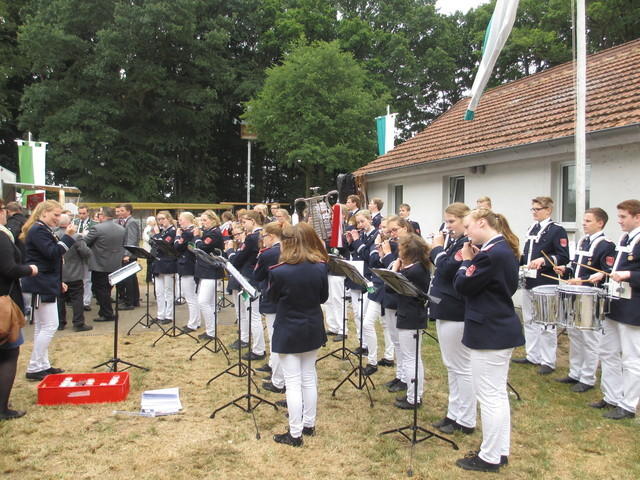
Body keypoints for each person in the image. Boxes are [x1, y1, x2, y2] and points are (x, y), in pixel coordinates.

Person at [453, 208, 524, 473]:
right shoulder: (503, 249)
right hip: (497, 326)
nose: (467, 232)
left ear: (482, 223)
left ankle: (490, 456)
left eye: (469, 226)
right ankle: (499, 450)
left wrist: (465, 261)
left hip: (490, 330)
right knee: (497, 395)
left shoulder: (491, 255)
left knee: (490, 396)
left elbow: (463, 286)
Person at [269, 222, 329, 447]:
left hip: (288, 328)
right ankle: (308, 423)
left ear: (286, 244)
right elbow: (323, 297)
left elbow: (273, 298)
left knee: (293, 382)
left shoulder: (279, 271)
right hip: (312, 326)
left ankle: (295, 434)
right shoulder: (320, 266)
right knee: (308, 377)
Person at [552, 208, 615, 393]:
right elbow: (575, 266)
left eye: (588, 220)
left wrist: (585, 280)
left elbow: (606, 273)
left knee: (590, 338)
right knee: (575, 335)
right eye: (584, 220)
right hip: (574, 293)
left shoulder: (606, 245)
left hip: (590, 296)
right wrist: (565, 270)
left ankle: (588, 377)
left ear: (600, 223)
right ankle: (575, 372)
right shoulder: (583, 241)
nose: (584, 223)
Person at [429, 203, 476, 435]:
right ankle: (453, 412)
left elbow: (447, 269)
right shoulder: (455, 242)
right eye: (446, 222)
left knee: (461, 367)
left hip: (455, 309)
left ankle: (466, 419)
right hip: (444, 307)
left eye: (451, 222)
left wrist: (436, 249)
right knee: (451, 366)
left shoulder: (465, 245)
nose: (447, 227)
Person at [591, 199, 640, 420]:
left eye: (623, 217)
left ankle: (628, 405)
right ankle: (611, 396)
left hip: (633, 308)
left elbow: (631, 272)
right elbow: (617, 266)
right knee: (607, 351)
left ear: (637, 217)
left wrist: (629, 275)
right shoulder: (624, 238)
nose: (619, 221)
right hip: (614, 303)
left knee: (631, 359)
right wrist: (604, 273)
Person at [20, 200, 76, 381]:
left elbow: (50, 258)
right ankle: (35, 366)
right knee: (50, 325)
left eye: (60, 215)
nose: (58, 219)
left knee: (42, 326)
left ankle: (42, 364)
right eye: (55, 215)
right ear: (44, 212)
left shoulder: (41, 230)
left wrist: (59, 281)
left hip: (45, 281)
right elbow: (52, 253)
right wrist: (68, 237)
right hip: (40, 283)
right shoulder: (38, 230)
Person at [513, 197, 570, 374]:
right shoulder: (533, 228)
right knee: (529, 319)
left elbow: (563, 256)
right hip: (530, 279)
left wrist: (544, 261)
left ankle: (548, 360)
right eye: (533, 209)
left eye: (538, 209)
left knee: (546, 323)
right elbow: (528, 254)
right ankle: (533, 355)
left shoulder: (556, 230)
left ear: (548, 210)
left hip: (546, 281)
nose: (535, 212)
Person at [0, 199, 38, 420]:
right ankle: (3, 408)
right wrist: (29, 269)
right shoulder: (2, 237)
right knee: (9, 352)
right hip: (4, 300)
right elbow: (9, 268)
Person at [392, 233, 431, 409]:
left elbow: (390, 286)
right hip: (408, 314)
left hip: (412, 317)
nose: (398, 253)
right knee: (410, 357)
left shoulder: (414, 271)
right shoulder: (415, 268)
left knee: (411, 358)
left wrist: (395, 269)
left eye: (400, 250)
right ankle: (412, 394)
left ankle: (414, 397)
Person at [226, 210, 265, 359]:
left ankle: (258, 349)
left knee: (253, 315)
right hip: (253, 277)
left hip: (249, 278)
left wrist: (230, 251)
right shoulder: (261, 234)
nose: (243, 225)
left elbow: (238, 259)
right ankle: (250, 342)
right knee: (250, 314)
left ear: (253, 221)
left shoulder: (252, 237)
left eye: (244, 222)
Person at [348, 210, 380, 375]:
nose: (359, 225)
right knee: (360, 315)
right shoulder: (365, 235)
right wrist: (351, 242)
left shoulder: (376, 235)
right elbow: (356, 253)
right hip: (361, 276)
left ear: (369, 220)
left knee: (368, 317)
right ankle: (365, 345)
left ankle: (374, 355)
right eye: (358, 223)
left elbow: (369, 257)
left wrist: (357, 241)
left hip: (371, 280)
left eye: (362, 222)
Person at [254, 222, 285, 393]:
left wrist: (260, 256)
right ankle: (276, 370)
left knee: (275, 340)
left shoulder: (268, 253)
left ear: (271, 236)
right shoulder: (288, 249)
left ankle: (278, 379)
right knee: (278, 339)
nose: (262, 240)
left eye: (263, 236)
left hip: (272, 298)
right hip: (285, 299)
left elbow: (257, 275)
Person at [85, 207, 125, 323]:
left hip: (100, 264)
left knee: (100, 289)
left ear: (102, 216)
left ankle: (106, 313)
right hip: (115, 263)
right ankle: (106, 312)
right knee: (107, 289)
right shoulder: (121, 229)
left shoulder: (97, 228)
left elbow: (86, 242)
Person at [55, 214, 93, 332]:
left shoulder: (53, 235)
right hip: (74, 271)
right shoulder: (76, 236)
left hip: (58, 271)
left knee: (60, 298)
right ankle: (78, 322)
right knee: (77, 298)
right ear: (69, 223)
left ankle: (60, 322)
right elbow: (85, 252)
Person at [192, 210, 225, 338]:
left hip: (211, 271)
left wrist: (196, 237)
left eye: (205, 220)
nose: (202, 223)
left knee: (203, 302)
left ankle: (212, 331)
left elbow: (201, 247)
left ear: (213, 220)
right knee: (209, 303)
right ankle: (211, 331)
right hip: (205, 270)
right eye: (202, 220)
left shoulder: (214, 233)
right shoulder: (208, 232)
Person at [174, 212, 200, 332]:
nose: (179, 222)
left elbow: (177, 247)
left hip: (187, 266)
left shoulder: (187, 233)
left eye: (181, 220)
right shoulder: (190, 231)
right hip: (188, 265)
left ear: (188, 220)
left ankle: (193, 323)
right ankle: (196, 321)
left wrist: (177, 236)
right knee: (192, 297)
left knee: (190, 297)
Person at [150, 211, 177, 324]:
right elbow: (153, 243)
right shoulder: (163, 231)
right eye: (159, 219)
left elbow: (164, 245)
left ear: (169, 219)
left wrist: (156, 235)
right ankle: (160, 314)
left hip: (168, 263)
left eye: (163, 219)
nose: (160, 221)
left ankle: (169, 315)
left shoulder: (172, 231)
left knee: (168, 291)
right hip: (158, 263)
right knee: (159, 291)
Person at [117, 204, 141, 310]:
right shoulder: (124, 222)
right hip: (126, 254)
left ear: (129, 211)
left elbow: (131, 239)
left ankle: (130, 302)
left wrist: (127, 254)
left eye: (122, 210)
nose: (119, 213)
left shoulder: (131, 222)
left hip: (129, 255)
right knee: (131, 278)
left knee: (129, 278)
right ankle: (134, 300)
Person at [74, 205, 96, 311]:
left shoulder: (94, 224)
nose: (81, 215)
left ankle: (86, 301)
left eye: (83, 213)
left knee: (87, 279)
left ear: (88, 213)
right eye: (80, 213)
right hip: (75, 253)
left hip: (87, 252)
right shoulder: (75, 223)